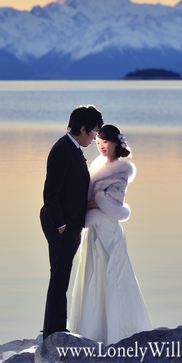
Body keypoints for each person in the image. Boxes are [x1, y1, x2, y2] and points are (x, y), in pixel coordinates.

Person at [68, 125, 153, 344]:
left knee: (112, 273)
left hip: (108, 227)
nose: (101, 146)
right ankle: (93, 331)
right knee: (93, 274)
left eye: (105, 142)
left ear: (116, 142)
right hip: (94, 226)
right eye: (98, 142)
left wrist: (85, 203)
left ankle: (118, 331)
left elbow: (113, 200)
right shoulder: (98, 164)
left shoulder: (122, 170)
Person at [40, 105, 104, 340]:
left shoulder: (74, 149)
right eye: (94, 132)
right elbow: (50, 192)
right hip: (60, 224)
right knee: (60, 277)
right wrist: (61, 225)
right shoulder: (62, 150)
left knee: (60, 276)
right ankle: (55, 332)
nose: (95, 138)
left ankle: (53, 329)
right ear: (83, 128)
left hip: (71, 224)